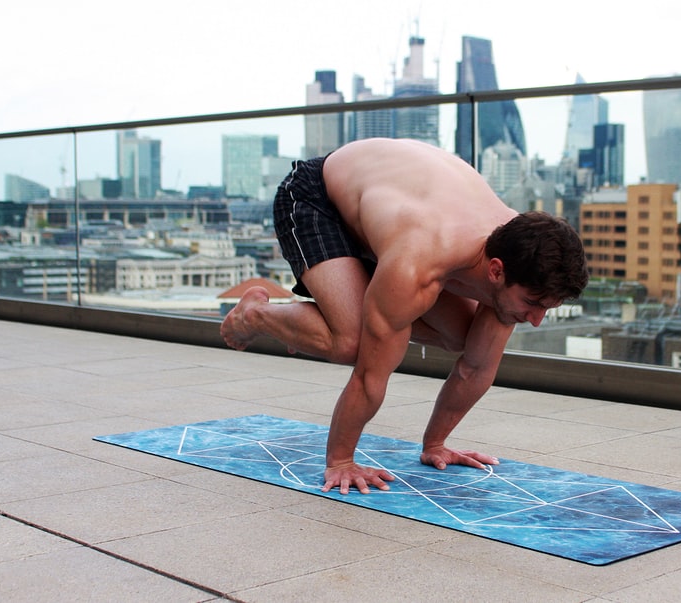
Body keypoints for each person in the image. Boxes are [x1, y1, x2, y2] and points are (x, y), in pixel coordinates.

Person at [221, 138, 588, 494]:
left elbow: (475, 368)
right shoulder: (420, 263)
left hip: (391, 211)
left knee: (465, 337)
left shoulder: (518, 251)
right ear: (496, 271)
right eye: (532, 304)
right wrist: (341, 461)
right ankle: (255, 314)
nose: (536, 319)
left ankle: (329, 318)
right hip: (320, 196)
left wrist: (436, 444)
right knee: (352, 341)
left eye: (546, 308)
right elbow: (369, 375)